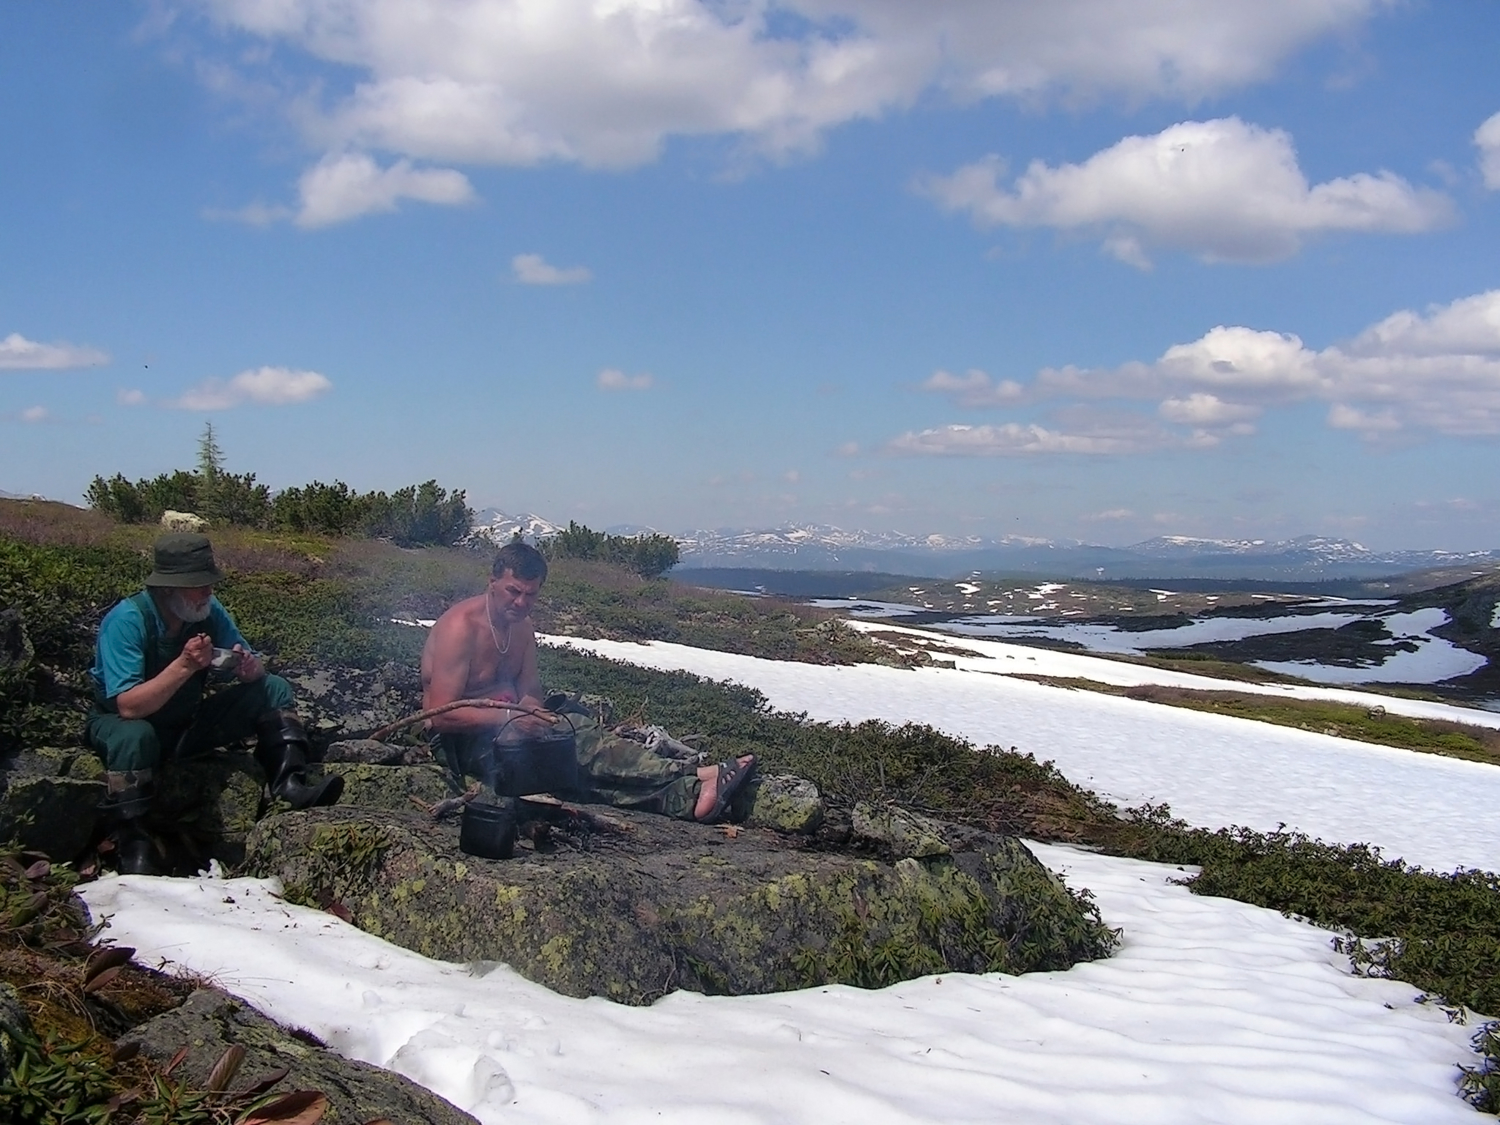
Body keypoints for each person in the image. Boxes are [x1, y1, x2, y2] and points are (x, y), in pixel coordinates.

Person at [421, 541, 756, 822]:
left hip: (507, 730)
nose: (521, 602)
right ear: (492, 581)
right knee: (576, 743)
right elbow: (440, 714)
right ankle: (696, 773)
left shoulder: (522, 627)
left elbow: (530, 690)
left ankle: (691, 798)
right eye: (513, 591)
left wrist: (533, 714)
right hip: (462, 742)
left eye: (530, 595)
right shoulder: (460, 628)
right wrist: (511, 719)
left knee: (576, 769)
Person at [87, 533, 342, 875]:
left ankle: (289, 787)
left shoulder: (207, 611)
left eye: (209, 583)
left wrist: (250, 668)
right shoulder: (127, 621)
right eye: (198, 584)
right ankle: (134, 841)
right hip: (125, 725)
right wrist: (185, 665)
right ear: (168, 588)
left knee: (274, 689)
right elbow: (129, 707)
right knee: (136, 736)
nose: (208, 592)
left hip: (186, 725)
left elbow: (250, 659)